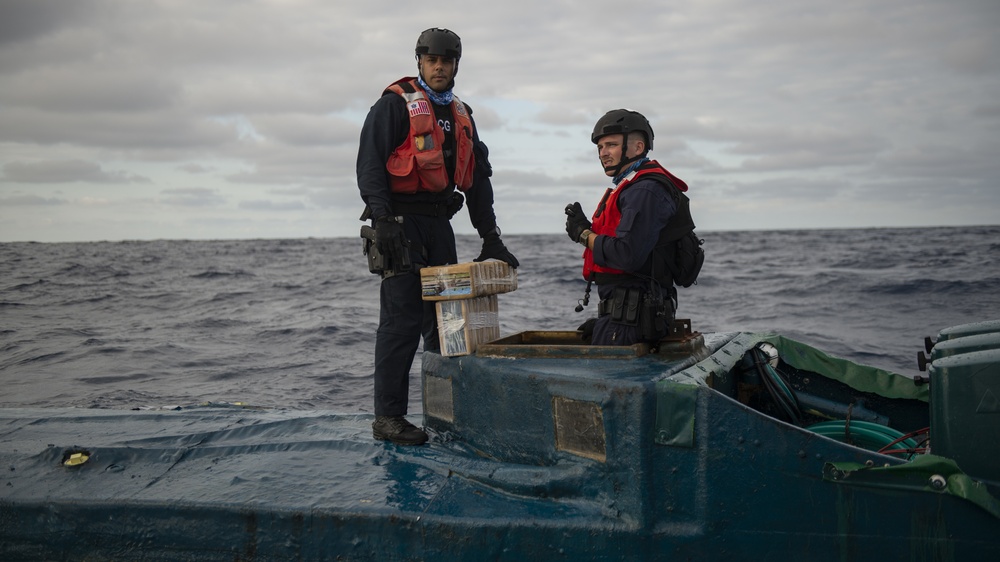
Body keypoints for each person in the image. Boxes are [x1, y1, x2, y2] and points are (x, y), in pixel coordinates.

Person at [357, 28, 519, 446]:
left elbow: (478, 181)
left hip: (439, 227)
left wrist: (491, 237)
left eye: (446, 61)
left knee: (445, 323)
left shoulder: (462, 114)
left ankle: (443, 411)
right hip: (399, 225)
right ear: (420, 62)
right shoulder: (394, 105)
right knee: (402, 321)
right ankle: (388, 418)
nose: (439, 67)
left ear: (456, 65)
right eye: (432, 60)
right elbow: (370, 165)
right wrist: (383, 220)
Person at [564, 109, 697, 347]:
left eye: (611, 145)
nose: (603, 153)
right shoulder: (633, 187)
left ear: (637, 147)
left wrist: (583, 234)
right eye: (600, 147)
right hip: (624, 315)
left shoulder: (644, 191)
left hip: (631, 321)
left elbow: (627, 254)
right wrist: (605, 319)